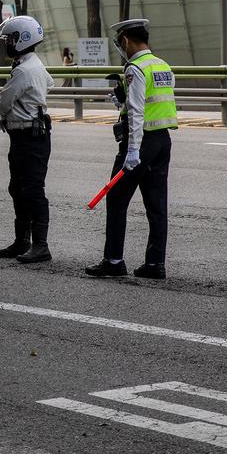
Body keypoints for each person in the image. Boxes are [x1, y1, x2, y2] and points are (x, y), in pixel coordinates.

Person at [86, 18, 176, 280]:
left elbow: (138, 112)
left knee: (116, 199)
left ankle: (113, 261)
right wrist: (122, 101)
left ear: (126, 40)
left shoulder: (134, 68)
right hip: (162, 141)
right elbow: (154, 102)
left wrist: (132, 151)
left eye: (120, 42)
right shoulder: (162, 65)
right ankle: (155, 264)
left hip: (140, 143)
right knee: (156, 205)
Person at [0, 16, 55, 263]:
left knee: (32, 190)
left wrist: (7, 112)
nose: (8, 43)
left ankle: (40, 245)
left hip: (30, 136)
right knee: (18, 188)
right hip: (25, 134)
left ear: (22, 39)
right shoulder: (31, 64)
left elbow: (5, 99)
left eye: (11, 38)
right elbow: (49, 83)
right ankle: (22, 241)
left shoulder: (24, 70)